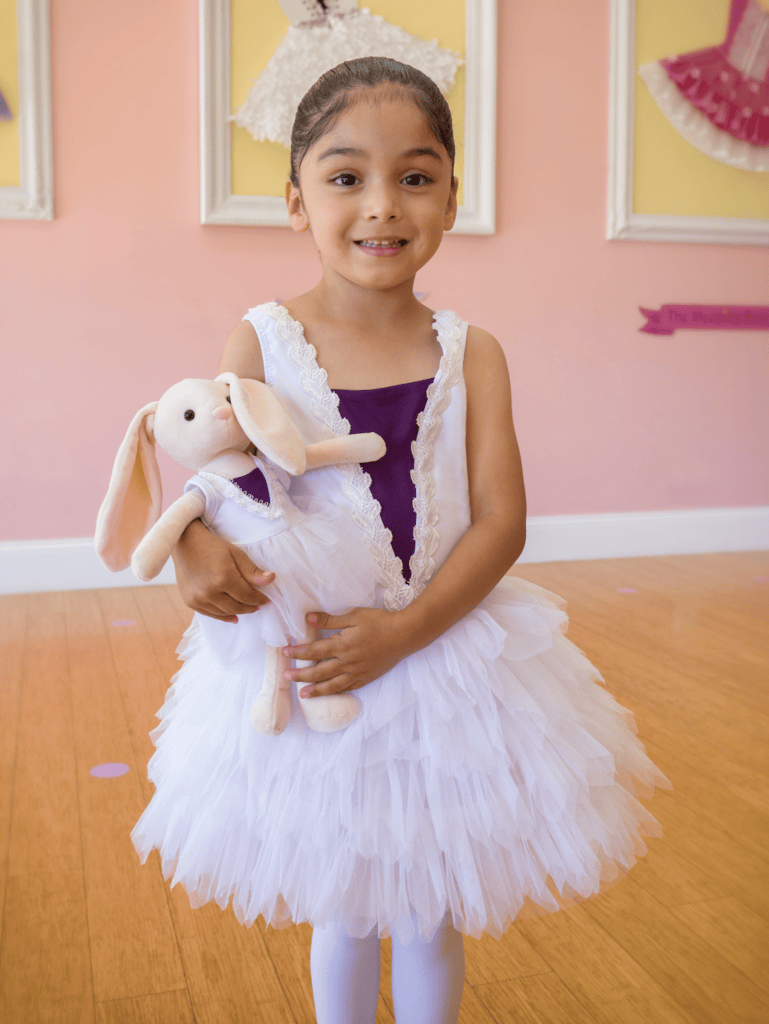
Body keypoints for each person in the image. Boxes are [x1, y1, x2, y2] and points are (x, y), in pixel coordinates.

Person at [133, 57, 672, 1024]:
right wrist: (190, 547)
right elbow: (218, 480)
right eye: (345, 177)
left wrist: (406, 633)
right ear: (294, 202)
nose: (382, 204)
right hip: (314, 666)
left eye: (414, 177)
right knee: (343, 905)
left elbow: (501, 520)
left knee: (429, 909)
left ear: (450, 198)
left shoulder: (474, 353)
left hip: (440, 658)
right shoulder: (259, 342)